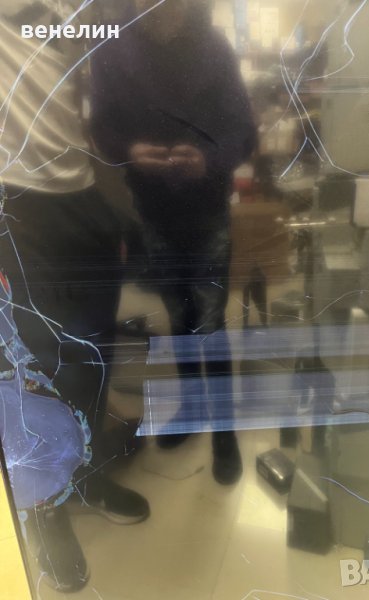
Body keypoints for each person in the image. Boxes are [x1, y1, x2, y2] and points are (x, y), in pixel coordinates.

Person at [0, 1, 149, 592]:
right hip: (17, 204)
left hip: (83, 198)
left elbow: (71, 101)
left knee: (92, 357)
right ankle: (46, 510)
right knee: (37, 368)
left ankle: (83, 474)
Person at [91, 0, 257, 484]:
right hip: (153, 209)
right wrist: (129, 151)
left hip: (206, 207)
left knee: (210, 322)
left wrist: (207, 158)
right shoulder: (113, 49)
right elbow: (103, 126)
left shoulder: (214, 48)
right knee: (179, 319)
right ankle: (192, 408)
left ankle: (223, 431)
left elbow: (242, 132)